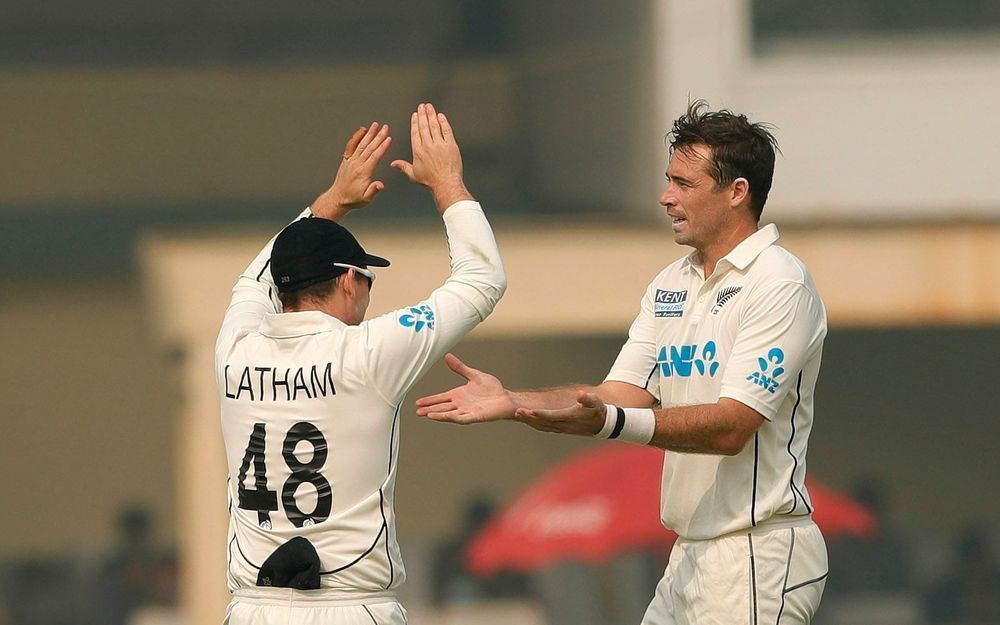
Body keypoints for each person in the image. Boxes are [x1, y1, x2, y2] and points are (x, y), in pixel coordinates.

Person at [417, 100, 829, 625]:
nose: (666, 196)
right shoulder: (670, 284)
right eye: (667, 180)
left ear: (737, 192)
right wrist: (515, 401)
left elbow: (732, 426)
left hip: (758, 552)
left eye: (684, 183)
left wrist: (611, 423)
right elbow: (617, 395)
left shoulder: (779, 282)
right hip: (689, 554)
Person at [215, 103, 506, 624]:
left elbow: (253, 281)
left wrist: (332, 201)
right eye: (367, 278)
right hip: (351, 608)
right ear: (348, 279)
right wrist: (449, 186)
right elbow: (481, 281)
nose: (369, 291)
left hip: (253, 611)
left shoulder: (235, 349)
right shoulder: (368, 353)